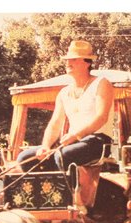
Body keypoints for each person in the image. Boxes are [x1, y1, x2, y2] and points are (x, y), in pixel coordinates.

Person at [17, 40, 115, 172]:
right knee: (25, 157)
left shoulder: (102, 84)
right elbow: (55, 123)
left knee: (63, 156)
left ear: (87, 62)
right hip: (73, 142)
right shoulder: (64, 93)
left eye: (73, 59)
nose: (68, 63)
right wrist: (45, 146)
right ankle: (46, 192)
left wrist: (75, 135)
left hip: (97, 141)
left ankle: (68, 192)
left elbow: (101, 117)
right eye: (67, 60)